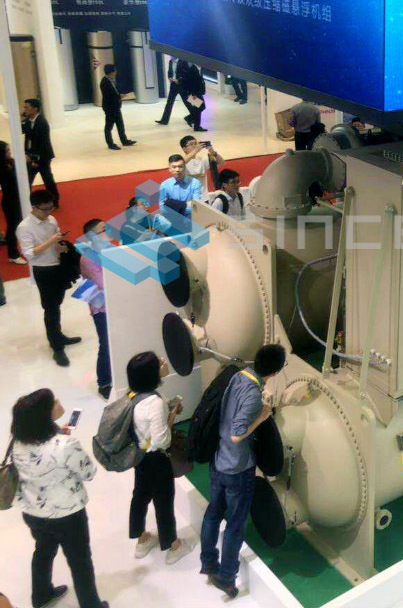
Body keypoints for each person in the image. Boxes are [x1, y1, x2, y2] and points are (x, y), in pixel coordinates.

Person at [200, 344, 286, 597]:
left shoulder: (238, 376)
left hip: (218, 461)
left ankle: (208, 563)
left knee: (213, 514)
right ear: (275, 372)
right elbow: (237, 434)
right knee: (235, 525)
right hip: (237, 469)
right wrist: (261, 417)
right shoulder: (253, 395)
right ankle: (227, 578)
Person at [11, 388, 108, 608]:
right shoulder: (65, 445)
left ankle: (41, 595)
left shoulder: (18, 441)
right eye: (53, 402)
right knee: (80, 561)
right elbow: (89, 472)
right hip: (68, 515)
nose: (58, 402)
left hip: (33, 512)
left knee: (43, 551)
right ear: (44, 415)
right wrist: (66, 443)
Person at [127, 352, 190, 564]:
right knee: (164, 502)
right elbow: (162, 440)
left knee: (140, 495)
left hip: (140, 455)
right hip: (156, 458)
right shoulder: (155, 402)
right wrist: (171, 416)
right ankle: (173, 546)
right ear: (152, 373)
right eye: (160, 362)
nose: (164, 362)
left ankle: (142, 539)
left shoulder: (133, 395)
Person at [16, 190, 81, 367]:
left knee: (57, 304)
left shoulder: (52, 220)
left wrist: (60, 246)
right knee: (50, 308)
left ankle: (58, 335)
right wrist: (51, 241)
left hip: (58, 266)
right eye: (44, 209)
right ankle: (56, 346)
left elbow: (57, 239)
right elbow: (29, 254)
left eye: (50, 208)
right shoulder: (24, 227)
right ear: (34, 207)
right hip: (43, 270)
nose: (48, 212)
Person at [80, 220, 112, 400]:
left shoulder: (110, 250)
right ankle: (104, 383)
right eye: (103, 230)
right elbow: (103, 283)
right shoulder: (88, 258)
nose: (108, 232)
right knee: (106, 344)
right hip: (101, 307)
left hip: (114, 303)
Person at [21, 98, 59, 208]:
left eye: (27, 107)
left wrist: (35, 159)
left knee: (47, 180)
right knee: (28, 180)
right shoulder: (29, 121)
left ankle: (54, 201)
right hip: (31, 156)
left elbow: (43, 144)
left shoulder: (42, 123)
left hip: (42, 157)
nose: (25, 109)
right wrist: (21, 120)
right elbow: (23, 131)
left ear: (35, 109)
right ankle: (26, 202)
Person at [0, 140, 26, 264]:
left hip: (16, 199)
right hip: (11, 201)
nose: (10, 153)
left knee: (14, 225)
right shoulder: (2, 168)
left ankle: (10, 242)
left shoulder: (10, 162)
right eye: (7, 151)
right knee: (14, 227)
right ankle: (13, 254)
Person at [100, 64, 135, 151]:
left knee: (120, 125)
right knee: (109, 127)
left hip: (116, 107)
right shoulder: (104, 82)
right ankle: (110, 144)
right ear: (111, 72)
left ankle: (124, 141)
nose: (116, 72)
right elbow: (109, 96)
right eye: (114, 71)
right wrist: (119, 96)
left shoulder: (112, 80)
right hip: (110, 108)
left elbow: (115, 91)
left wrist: (119, 95)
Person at [158, 154, 203, 221]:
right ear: (170, 169)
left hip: (191, 223)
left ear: (185, 167)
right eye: (174, 167)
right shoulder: (164, 185)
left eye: (180, 166)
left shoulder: (195, 183)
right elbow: (163, 209)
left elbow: (196, 207)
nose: (177, 170)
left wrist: (173, 205)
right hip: (173, 223)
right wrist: (185, 204)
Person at [178, 60, 208, 132]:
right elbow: (192, 83)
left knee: (200, 107)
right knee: (199, 108)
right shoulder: (193, 69)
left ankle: (190, 118)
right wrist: (193, 94)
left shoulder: (197, 69)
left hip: (197, 92)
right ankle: (196, 126)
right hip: (195, 93)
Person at [155, 57, 181, 125]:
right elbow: (169, 72)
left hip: (181, 85)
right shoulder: (170, 61)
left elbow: (185, 73)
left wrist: (179, 80)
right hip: (173, 85)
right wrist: (169, 77)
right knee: (169, 103)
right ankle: (164, 120)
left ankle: (192, 117)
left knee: (188, 102)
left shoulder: (183, 61)